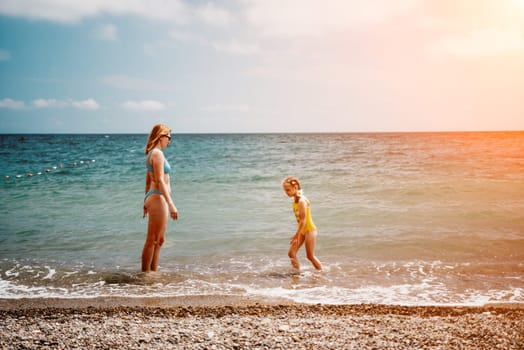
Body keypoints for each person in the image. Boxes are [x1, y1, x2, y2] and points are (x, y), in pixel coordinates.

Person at [142, 124, 178, 272]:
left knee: (159, 241)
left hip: (154, 198)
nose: (169, 140)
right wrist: (171, 204)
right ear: (161, 136)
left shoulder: (154, 153)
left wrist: (144, 202)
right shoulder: (157, 154)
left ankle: (153, 274)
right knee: (152, 240)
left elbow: (147, 180)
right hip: (158, 198)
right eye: (168, 137)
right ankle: (145, 276)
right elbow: (158, 180)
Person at [282, 176, 322, 270]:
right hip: (302, 231)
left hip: (309, 230)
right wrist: (298, 234)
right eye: (285, 190)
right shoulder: (295, 199)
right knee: (291, 253)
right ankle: (297, 274)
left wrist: (296, 235)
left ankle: (321, 273)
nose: (286, 192)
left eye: (288, 190)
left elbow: (303, 221)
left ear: (295, 188)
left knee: (310, 256)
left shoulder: (301, 201)